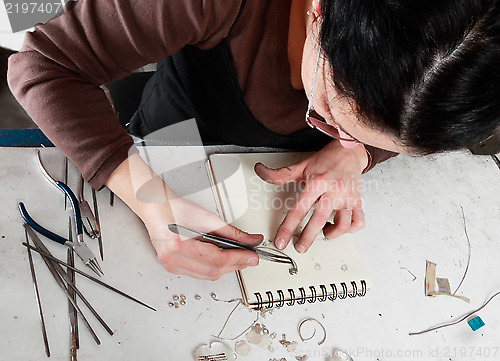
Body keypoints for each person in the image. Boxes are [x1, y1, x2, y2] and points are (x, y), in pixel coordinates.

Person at [7, 0, 499, 280]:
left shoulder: (468, 52)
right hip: (185, 124)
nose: (340, 138)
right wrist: (150, 199)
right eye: (329, 112)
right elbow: (43, 65)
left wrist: (357, 154)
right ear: (318, 12)